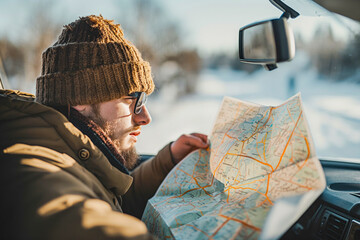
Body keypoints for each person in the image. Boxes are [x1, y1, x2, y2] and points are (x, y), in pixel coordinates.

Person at [0, 15, 208, 239]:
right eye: (133, 100)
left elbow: (110, 200)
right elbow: (73, 218)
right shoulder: (38, 168)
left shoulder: (74, 153)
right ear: (80, 98)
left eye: (144, 100)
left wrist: (167, 162)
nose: (145, 117)